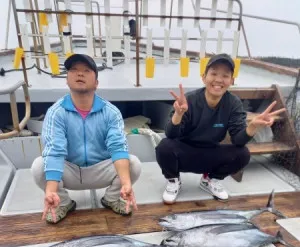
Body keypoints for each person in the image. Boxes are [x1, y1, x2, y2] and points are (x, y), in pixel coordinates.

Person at [156, 53, 285, 204]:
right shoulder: (189, 100)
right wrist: (178, 114)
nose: (218, 79)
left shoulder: (233, 103)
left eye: (225, 75)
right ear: (204, 77)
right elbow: (171, 134)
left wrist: (253, 126)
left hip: (211, 153)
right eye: (214, 73)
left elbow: (238, 140)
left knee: (243, 154)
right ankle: (173, 181)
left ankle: (210, 180)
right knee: (164, 147)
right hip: (185, 152)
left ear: (232, 81)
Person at [31, 54, 141, 223]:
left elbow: (117, 147)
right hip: (70, 171)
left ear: (96, 83)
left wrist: (126, 184)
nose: (79, 74)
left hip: (100, 169)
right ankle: (62, 202)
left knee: (133, 164)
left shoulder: (111, 112)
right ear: (67, 80)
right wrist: (51, 190)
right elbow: (55, 151)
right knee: (39, 166)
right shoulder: (56, 112)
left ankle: (112, 198)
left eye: (86, 70)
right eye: (73, 70)